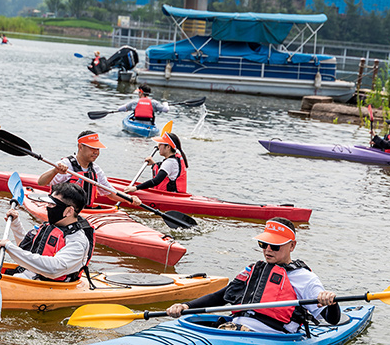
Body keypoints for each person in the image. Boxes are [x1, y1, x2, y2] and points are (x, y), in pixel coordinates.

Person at [167, 217, 340, 333]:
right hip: (234, 327)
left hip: (270, 337)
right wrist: (185, 306)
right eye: (263, 244)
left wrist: (331, 303)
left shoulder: (305, 278)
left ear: (292, 246)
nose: (268, 250)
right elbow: (221, 296)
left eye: (275, 246)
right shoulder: (253, 270)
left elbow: (332, 319)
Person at [0, 182, 94, 281]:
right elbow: (27, 249)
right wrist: (15, 224)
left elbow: (52, 269)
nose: (47, 207)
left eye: (52, 204)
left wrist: (10, 247)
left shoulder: (77, 241)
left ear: (69, 211)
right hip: (26, 276)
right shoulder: (51, 227)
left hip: (47, 286)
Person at [36, 131, 141, 209]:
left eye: (98, 149)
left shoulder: (95, 169)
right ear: (80, 147)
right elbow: (41, 182)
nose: (96, 152)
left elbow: (110, 193)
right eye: (92, 148)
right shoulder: (66, 165)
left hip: (85, 211)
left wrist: (129, 199)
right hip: (61, 211)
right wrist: (55, 171)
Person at [123, 131, 188, 194]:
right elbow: (167, 171)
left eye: (160, 144)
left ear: (168, 147)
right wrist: (154, 164)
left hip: (169, 196)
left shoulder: (170, 162)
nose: (158, 147)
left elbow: (156, 181)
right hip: (173, 193)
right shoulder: (174, 160)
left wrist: (135, 188)